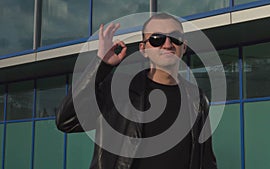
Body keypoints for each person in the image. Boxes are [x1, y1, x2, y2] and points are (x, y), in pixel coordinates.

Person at [56, 13, 217, 169]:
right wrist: (101, 65)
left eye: (175, 38)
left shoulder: (197, 99)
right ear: (143, 48)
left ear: (184, 46)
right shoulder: (118, 90)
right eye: (156, 39)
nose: (168, 44)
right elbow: (66, 121)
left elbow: (205, 161)